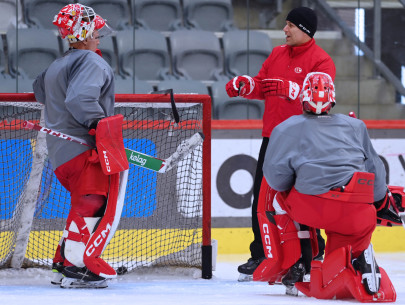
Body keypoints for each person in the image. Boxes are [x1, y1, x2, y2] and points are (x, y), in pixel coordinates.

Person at [225, 6, 336, 280]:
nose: (284, 30)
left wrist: (294, 91)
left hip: (305, 142)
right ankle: (260, 254)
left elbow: (323, 100)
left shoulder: (322, 61)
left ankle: (310, 255)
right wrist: (246, 85)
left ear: (305, 30)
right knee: (261, 199)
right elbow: (263, 85)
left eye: (290, 25)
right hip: (272, 138)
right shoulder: (276, 54)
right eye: (285, 24)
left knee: (302, 199)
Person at [262, 72, 387, 295]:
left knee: (279, 198)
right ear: (333, 99)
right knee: (338, 265)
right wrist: (378, 202)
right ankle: (358, 258)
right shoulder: (356, 126)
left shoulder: (286, 127)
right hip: (357, 212)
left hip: (312, 208)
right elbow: (376, 177)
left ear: (303, 98)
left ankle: (301, 261)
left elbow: (276, 179)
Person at [33, 3, 128, 289]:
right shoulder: (90, 61)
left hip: (61, 154)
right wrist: (100, 128)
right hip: (85, 149)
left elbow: (40, 91)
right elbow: (80, 100)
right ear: (84, 33)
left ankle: (62, 264)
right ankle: (78, 267)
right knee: (92, 202)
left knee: (82, 204)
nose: (100, 35)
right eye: (96, 30)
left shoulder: (56, 64)